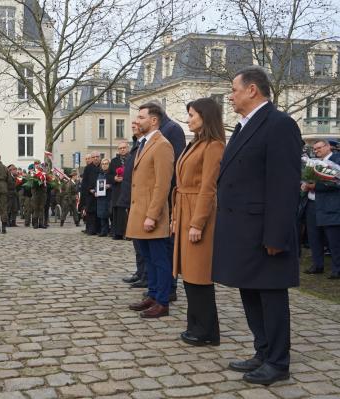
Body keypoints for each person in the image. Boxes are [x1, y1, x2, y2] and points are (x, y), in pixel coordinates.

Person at [212, 66, 302, 385]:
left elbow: (284, 184)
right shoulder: (243, 126)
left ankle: (278, 362)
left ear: (252, 90)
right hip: (242, 231)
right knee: (249, 291)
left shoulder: (279, 125)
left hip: (265, 230)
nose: (230, 96)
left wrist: (276, 234)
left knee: (271, 295)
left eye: (234, 90)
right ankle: (262, 351)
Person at [171, 98, 225, 347]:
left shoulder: (213, 145)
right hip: (184, 209)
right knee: (189, 273)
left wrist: (197, 222)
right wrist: (175, 217)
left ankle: (206, 330)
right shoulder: (196, 143)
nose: (189, 119)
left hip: (197, 212)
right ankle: (197, 325)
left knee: (199, 273)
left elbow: (208, 187)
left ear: (205, 116)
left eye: (192, 115)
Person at [126, 103, 174, 318]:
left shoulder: (162, 144)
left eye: (141, 117)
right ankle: (153, 295)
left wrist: (152, 215)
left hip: (151, 215)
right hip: (140, 213)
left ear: (154, 120)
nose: (137, 120)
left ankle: (162, 301)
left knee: (159, 260)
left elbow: (162, 185)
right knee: (148, 258)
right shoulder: (144, 143)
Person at [301, 139, 340, 278]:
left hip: (330, 205)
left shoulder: (337, 160)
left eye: (319, 148)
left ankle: (337, 269)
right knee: (314, 237)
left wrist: (315, 186)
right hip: (312, 204)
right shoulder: (312, 162)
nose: (316, 151)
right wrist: (305, 184)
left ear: (328, 147)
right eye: (315, 149)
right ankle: (317, 265)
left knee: (333, 239)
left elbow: (337, 182)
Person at [120, 121, 148, 289]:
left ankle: (145, 275)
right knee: (137, 241)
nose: (134, 124)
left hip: (139, 198)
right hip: (131, 198)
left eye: (138, 122)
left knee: (141, 241)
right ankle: (140, 272)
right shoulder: (137, 145)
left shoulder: (145, 145)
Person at [108, 141, 129, 240]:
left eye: (124, 147)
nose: (122, 149)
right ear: (118, 150)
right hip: (117, 190)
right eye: (120, 148)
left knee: (128, 213)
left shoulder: (132, 158)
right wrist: (114, 179)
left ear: (127, 148)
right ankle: (118, 233)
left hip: (129, 190)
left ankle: (128, 233)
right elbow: (108, 176)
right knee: (117, 213)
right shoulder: (114, 161)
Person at [81, 152, 101, 235]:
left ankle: (99, 229)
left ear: (99, 157)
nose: (95, 158)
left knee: (99, 212)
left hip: (101, 194)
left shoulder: (102, 166)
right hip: (90, 194)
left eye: (97, 156)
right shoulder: (87, 168)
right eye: (93, 157)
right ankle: (90, 229)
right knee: (90, 212)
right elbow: (84, 182)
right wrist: (90, 190)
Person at [96, 158, 111, 237]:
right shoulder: (100, 174)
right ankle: (104, 231)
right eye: (103, 164)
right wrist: (96, 191)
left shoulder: (111, 173)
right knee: (102, 215)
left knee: (110, 214)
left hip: (109, 197)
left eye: (106, 163)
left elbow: (115, 184)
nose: (104, 165)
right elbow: (97, 185)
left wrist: (109, 186)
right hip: (101, 198)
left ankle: (112, 231)